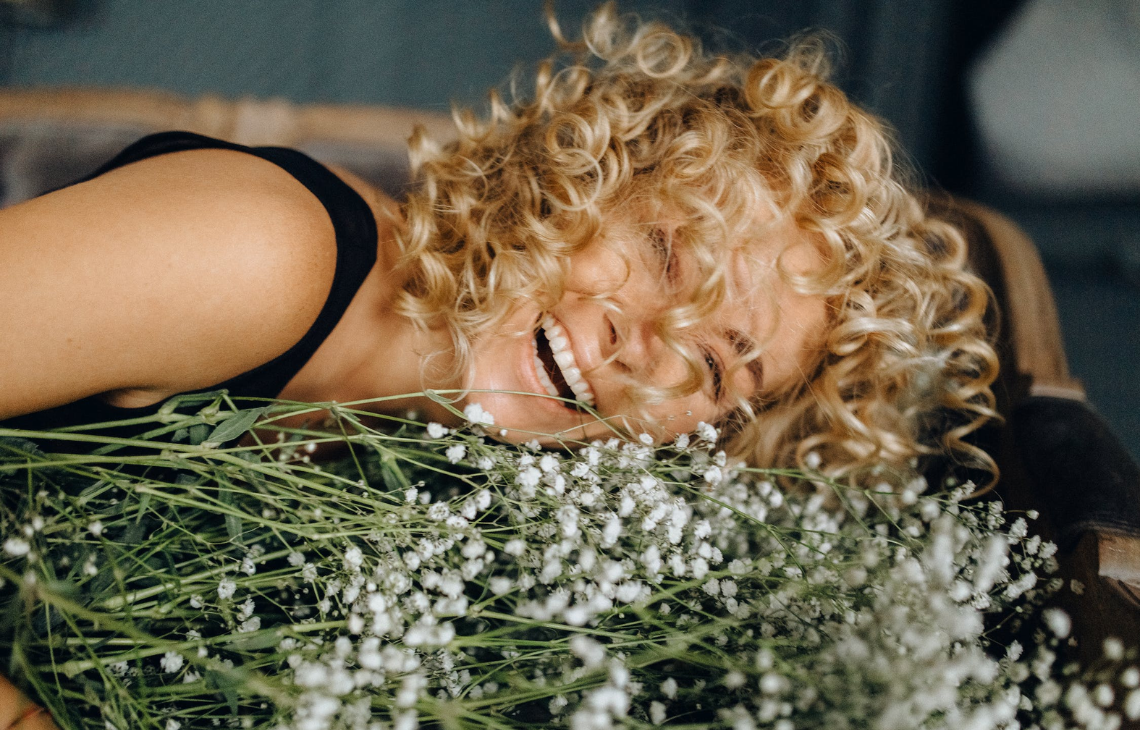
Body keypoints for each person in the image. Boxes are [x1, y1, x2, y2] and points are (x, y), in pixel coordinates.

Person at [0, 4, 998, 718]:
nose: (644, 343)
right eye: (665, 254)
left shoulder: (443, 490)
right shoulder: (268, 254)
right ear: (579, 172)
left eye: (713, 364)